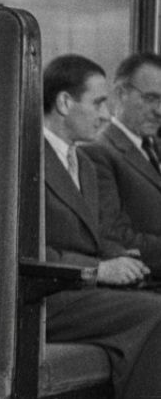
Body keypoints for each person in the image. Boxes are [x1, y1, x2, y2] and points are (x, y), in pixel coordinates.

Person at [41, 53, 161, 399]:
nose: (106, 114)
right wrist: (97, 269)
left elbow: (103, 235)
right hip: (43, 298)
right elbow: (21, 251)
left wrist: (119, 261)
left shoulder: (83, 163)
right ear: (65, 102)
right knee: (152, 314)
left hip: (80, 291)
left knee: (149, 306)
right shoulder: (24, 159)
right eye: (99, 102)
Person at [83, 52, 161, 273]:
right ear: (120, 94)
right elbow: (113, 236)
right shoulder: (98, 153)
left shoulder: (154, 147)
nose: (159, 111)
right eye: (150, 99)